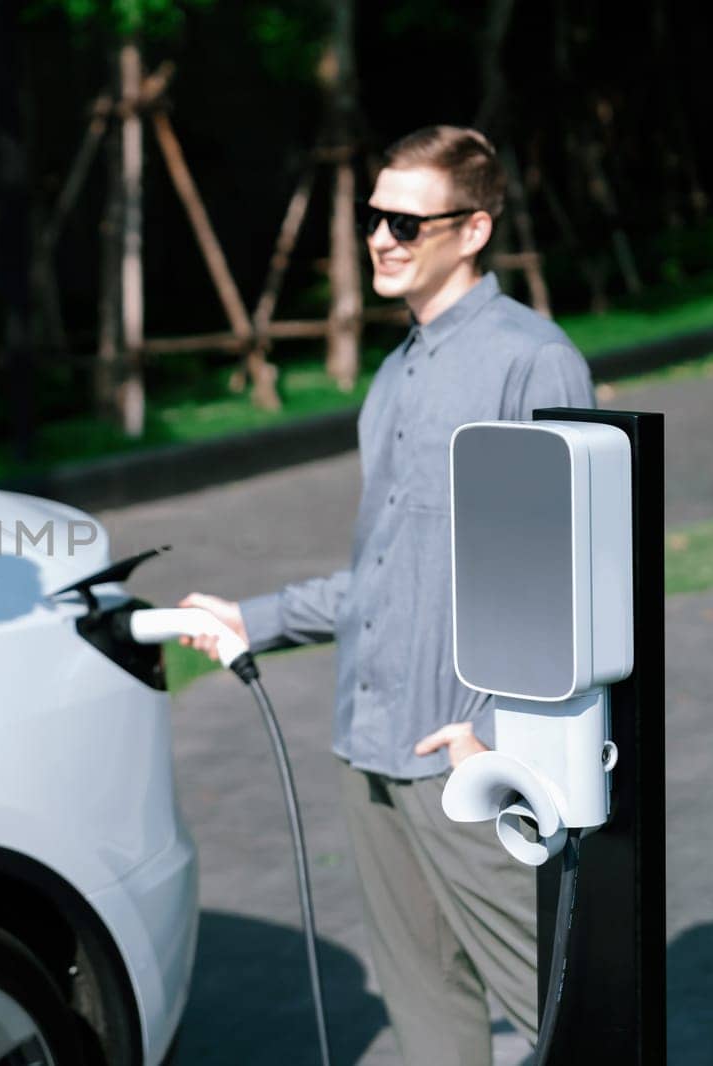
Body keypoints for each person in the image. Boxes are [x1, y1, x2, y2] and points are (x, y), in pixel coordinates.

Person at [179, 126, 594, 1065]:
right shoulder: (396, 373)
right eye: (374, 218)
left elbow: (573, 578)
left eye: (407, 221)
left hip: (466, 759)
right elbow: (387, 577)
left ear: (475, 228)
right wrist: (256, 618)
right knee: (428, 1022)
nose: (381, 239)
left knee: (568, 1019)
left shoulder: (535, 362)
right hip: (369, 747)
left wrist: (491, 733)